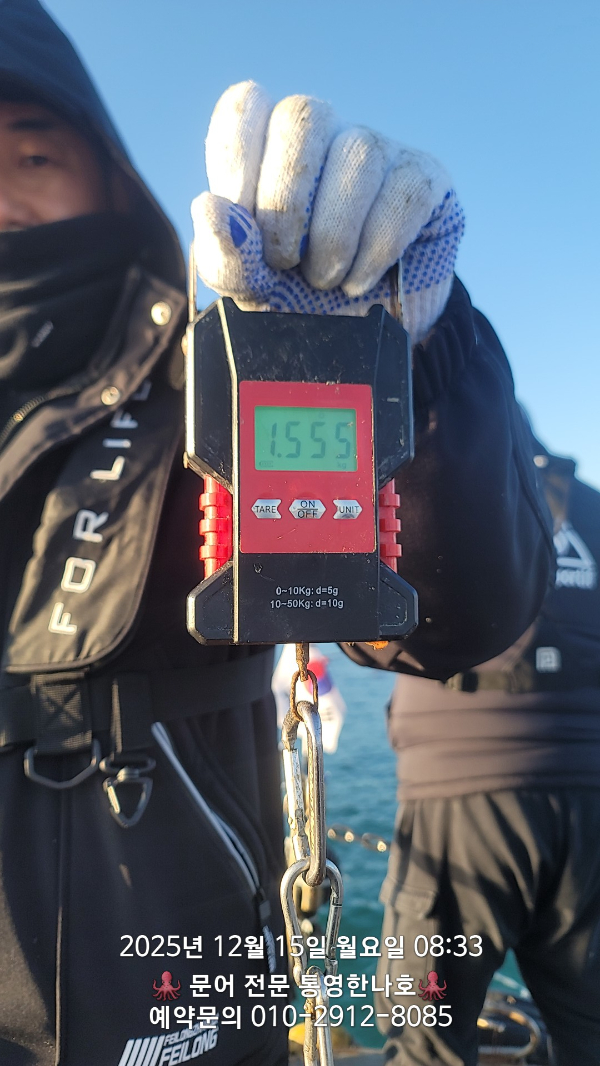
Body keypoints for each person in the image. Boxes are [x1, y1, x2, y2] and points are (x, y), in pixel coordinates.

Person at [0, 3, 553, 1065]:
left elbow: (463, 616)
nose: (10, 201)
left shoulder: (207, 375)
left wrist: (410, 357)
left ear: (112, 179)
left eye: (34, 154)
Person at [344, 431, 600, 1066]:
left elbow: (367, 622)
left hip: (459, 800)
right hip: (591, 801)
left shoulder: (426, 490)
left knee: (427, 1036)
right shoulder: (590, 505)